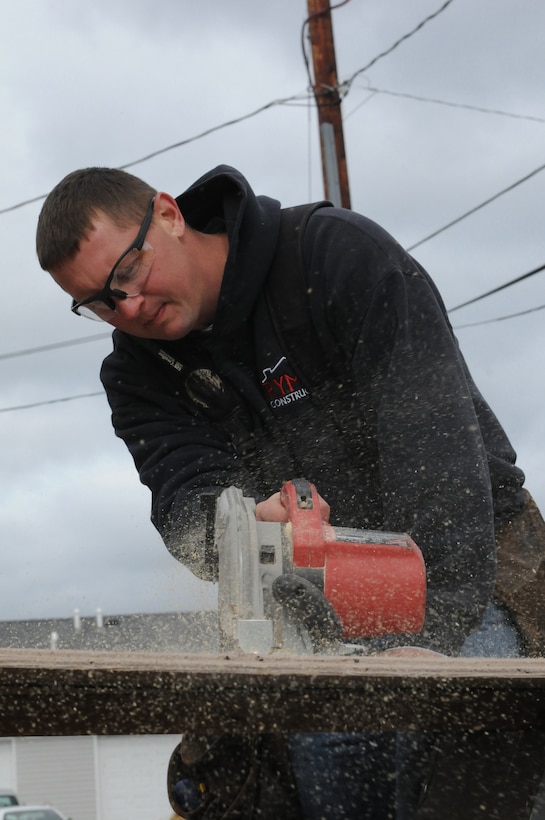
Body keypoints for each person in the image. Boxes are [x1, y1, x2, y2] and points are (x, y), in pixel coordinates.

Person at [36, 164, 545, 818]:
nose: (126, 307)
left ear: (167, 213)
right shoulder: (140, 374)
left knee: (463, 709)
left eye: (127, 273)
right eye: (99, 302)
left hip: (471, 559)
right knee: (319, 741)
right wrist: (242, 524)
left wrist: (436, 631)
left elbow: (439, 456)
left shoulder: (334, 257)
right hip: (316, 596)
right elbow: (186, 506)